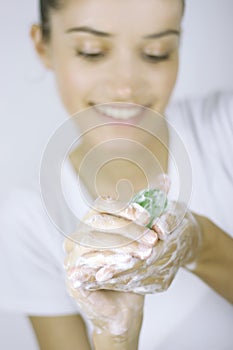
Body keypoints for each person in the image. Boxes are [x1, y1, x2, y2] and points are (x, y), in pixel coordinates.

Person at [0, 0, 233, 349]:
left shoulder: (224, 129)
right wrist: (116, 334)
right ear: (42, 45)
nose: (125, 88)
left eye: (157, 53)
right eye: (92, 52)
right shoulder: (26, 219)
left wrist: (201, 244)